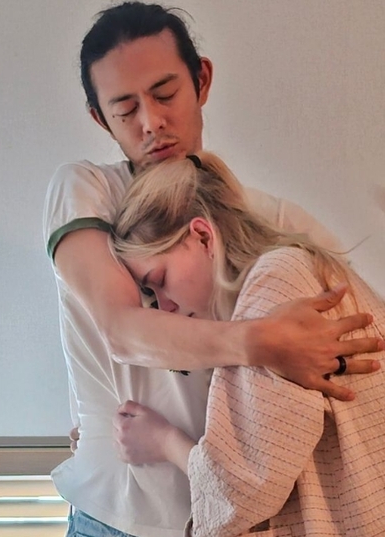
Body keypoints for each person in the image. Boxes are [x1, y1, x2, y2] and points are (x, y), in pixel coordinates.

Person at [43, 1, 381, 537]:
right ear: (100, 118)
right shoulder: (88, 192)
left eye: (165, 93)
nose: (151, 122)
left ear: (201, 80)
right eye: (125, 109)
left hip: (235, 517)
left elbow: (351, 369)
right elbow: (120, 330)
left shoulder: (279, 229)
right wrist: (263, 341)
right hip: (115, 516)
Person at [111, 151, 385, 536]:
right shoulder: (296, 270)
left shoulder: (278, 281)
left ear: (203, 236)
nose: (165, 306)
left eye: (159, 280)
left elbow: (242, 490)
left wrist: (163, 441)